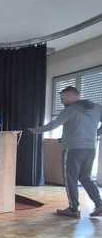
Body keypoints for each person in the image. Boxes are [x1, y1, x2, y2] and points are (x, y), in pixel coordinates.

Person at [29, 86, 102, 218]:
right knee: (85, 177)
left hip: (73, 150)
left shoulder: (70, 109)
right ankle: (99, 205)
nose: (62, 101)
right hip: (90, 148)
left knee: (70, 179)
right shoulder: (97, 107)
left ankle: (73, 209)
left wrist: (35, 131)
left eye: (63, 98)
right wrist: (95, 134)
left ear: (71, 96)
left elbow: (54, 125)